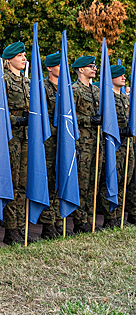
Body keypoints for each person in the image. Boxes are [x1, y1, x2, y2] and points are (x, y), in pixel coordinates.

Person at [1, 42, 30, 245]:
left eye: (24, 55)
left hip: (26, 137)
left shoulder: (27, 82)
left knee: (22, 184)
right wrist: (17, 120)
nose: (24, 59)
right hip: (11, 137)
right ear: (9, 59)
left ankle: (20, 226)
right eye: (19, 55)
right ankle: (10, 229)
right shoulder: (4, 80)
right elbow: (0, 109)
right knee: (11, 183)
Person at [99, 65, 132, 228]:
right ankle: (110, 217)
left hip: (128, 146)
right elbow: (108, 125)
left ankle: (120, 216)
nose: (123, 77)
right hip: (114, 147)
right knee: (112, 179)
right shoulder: (107, 98)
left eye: (124, 75)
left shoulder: (126, 99)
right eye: (120, 75)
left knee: (125, 181)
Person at [71, 55, 101, 233]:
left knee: (93, 182)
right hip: (82, 143)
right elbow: (71, 117)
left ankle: (89, 218)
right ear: (81, 69)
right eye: (91, 66)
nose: (94, 69)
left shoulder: (96, 91)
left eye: (95, 66)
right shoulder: (74, 90)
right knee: (82, 183)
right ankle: (79, 221)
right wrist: (90, 120)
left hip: (96, 143)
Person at [37, 52, 65, 239]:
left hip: (63, 143)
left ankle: (57, 220)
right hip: (48, 143)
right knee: (48, 183)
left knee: (59, 181)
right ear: (49, 68)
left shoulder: (66, 89)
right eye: (59, 65)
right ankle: (47, 224)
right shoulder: (43, 88)